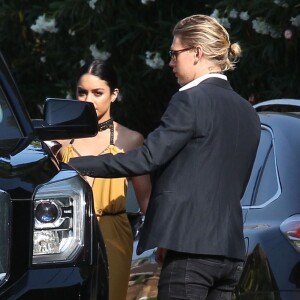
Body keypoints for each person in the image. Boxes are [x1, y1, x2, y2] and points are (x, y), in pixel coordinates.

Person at [68, 15, 261, 300]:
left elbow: (145, 159)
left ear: (197, 53)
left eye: (174, 53)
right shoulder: (248, 113)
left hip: (190, 252)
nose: (170, 62)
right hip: (231, 253)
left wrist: (73, 164)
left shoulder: (190, 99)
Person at [55, 59, 151, 300]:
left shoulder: (130, 139)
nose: (88, 100)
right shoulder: (60, 140)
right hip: (66, 234)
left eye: (98, 93)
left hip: (113, 233)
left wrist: (159, 246)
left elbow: (146, 199)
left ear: (114, 94)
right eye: (82, 92)